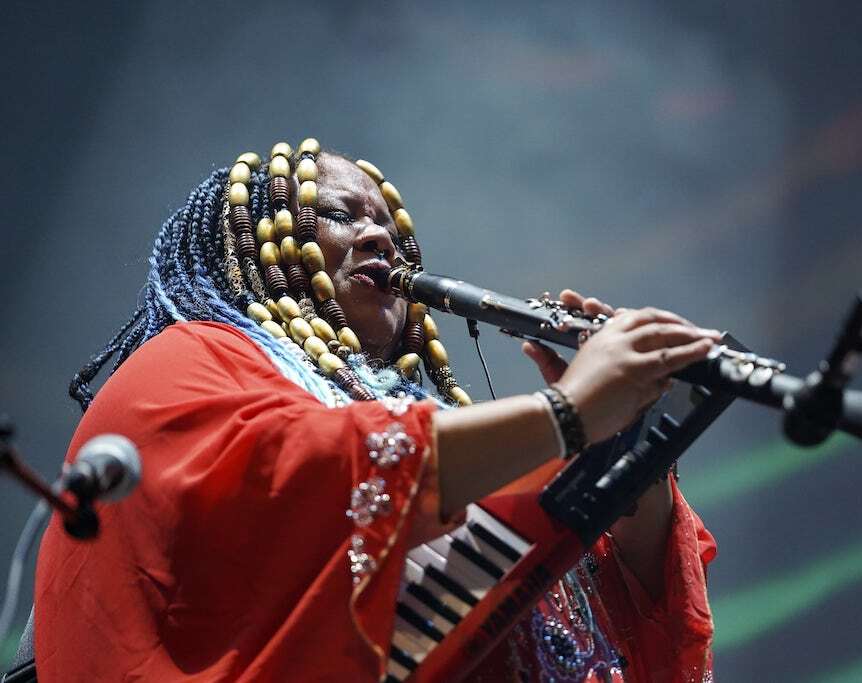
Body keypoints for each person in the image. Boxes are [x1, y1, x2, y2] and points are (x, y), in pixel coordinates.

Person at [34, 139, 719, 682]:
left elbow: (626, 629)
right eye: (341, 213)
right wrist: (567, 412)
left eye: (391, 227)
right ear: (253, 239)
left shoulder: (413, 417)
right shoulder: (189, 357)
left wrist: (626, 450)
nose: (381, 238)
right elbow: (314, 468)